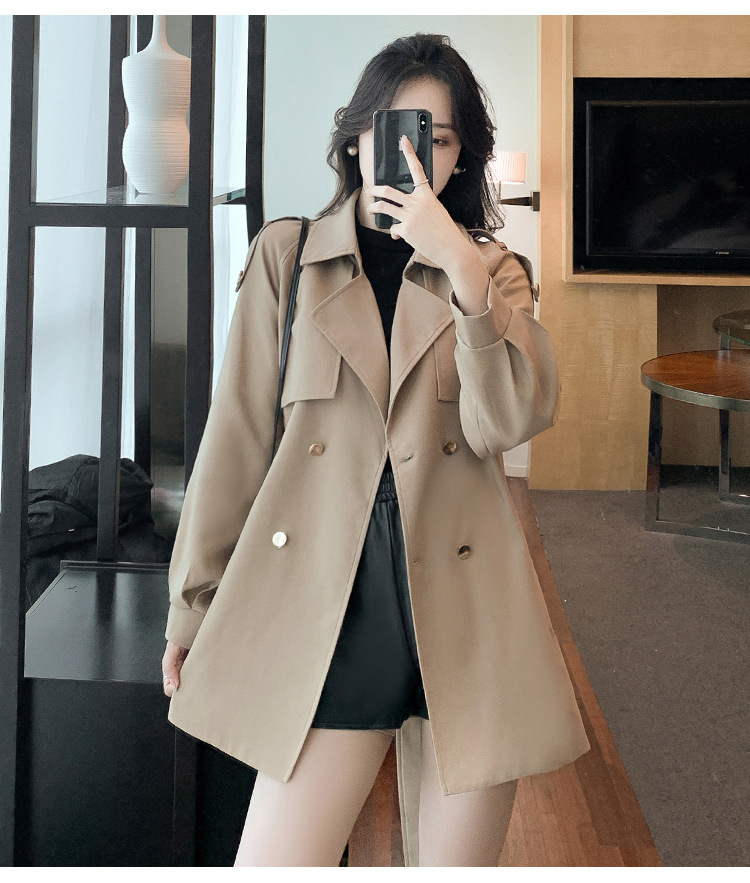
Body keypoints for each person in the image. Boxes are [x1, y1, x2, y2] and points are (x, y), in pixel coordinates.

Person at [161, 33, 589, 867]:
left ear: (461, 157)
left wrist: (459, 263)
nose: (415, 156)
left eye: (440, 137)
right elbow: (236, 442)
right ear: (357, 138)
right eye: (397, 129)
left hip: (466, 612)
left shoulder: (494, 273)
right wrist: (192, 606)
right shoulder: (288, 259)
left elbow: (508, 421)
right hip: (330, 604)